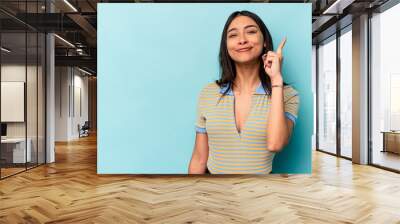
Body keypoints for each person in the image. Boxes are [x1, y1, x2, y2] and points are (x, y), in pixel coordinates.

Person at [188, 10, 299, 174]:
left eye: (251, 32)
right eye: (233, 35)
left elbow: (275, 144)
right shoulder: (208, 93)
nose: (242, 40)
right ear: (226, 46)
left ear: (265, 42)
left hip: (259, 193)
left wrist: (276, 80)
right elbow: (199, 158)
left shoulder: (287, 94)